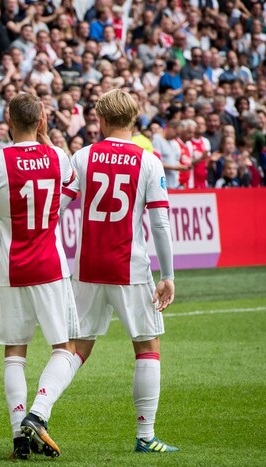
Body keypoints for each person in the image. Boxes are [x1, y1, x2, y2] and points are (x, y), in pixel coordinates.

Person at [0, 93, 81, 459]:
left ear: (8, 121)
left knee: (14, 353)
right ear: (42, 121)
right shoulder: (58, 155)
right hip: (50, 265)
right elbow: (72, 186)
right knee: (64, 348)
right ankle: (39, 414)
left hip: (13, 268)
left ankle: (18, 435)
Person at [62, 89, 178, 454]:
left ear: (101, 120)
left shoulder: (83, 156)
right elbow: (160, 225)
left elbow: (58, 206)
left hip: (87, 267)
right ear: (134, 118)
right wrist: (169, 274)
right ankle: (146, 436)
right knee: (146, 347)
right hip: (129, 268)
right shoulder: (148, 161)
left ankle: (39, 410)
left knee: (76, 348)